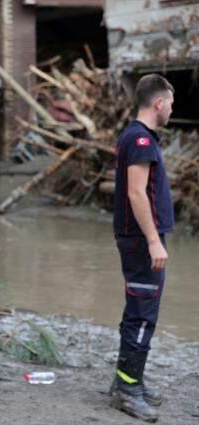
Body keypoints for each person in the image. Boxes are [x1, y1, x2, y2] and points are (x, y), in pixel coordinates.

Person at [110, 74, 175, 422]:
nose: (172, 110)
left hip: (138, 239)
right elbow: (136, 193)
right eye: (171, 103)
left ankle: (126, 379)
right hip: (140, 241)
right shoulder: (140, 139)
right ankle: (127, 389)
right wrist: (153, 240)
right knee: (143, 313)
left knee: (137, 308)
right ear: (159, 103)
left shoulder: (138, 137)